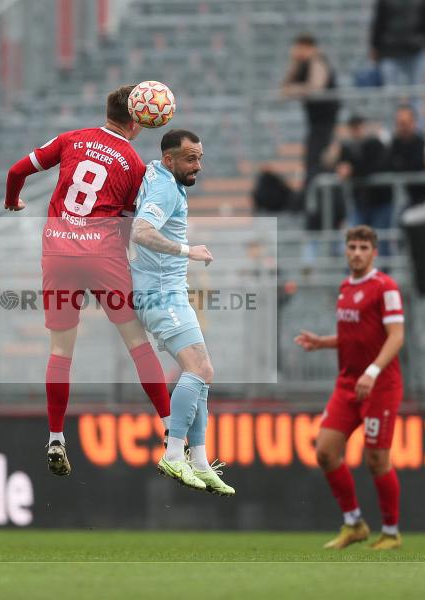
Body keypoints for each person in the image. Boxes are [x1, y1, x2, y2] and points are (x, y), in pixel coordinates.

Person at [3, 85, 171, 476]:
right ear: (137, 118)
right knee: (136, 344)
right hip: (102, 255)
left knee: (61, 351)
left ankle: (56, 437)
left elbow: (16, 171)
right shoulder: (133, 163)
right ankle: (168, 428)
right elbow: (129, 224)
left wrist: (12, 201)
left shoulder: (71, 139)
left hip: (58, 251)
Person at [130, 129, 234, 496]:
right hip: (160, 295)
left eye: (200, 158)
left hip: (169, 292)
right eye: (191, 159)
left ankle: (201, 461)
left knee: (202, 373)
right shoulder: (164, 188)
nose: (198, 166)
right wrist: (186, 250)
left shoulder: (158, 174)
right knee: (200, 370)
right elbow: (141, 231)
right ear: (170, 159)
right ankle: (174, 454)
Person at [294, 225, 405, 550]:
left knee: (376, 460)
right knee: (326, 452)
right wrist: (323, 342)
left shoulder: (386, 287)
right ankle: (354, 524)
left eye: (363, 248)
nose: (357, 253)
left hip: (380, 385)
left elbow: (396, 336)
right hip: (348, 384)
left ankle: (391, 532)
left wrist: (371, 372)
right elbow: (357, 336)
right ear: (346, 251)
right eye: (352, 247)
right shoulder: (345, 287)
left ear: (374, 252)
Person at [280, 34, 340, 197]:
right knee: (311, 164)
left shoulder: (318, 62)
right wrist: (295, 63)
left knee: (318, 166)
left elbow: (315, 89)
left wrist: (296, 90)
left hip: (325, 125)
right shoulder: (302, 65)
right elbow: (284, 89)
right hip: (315, 125)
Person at [328, 115, 393, 253]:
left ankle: (381, 273)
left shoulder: (374, 143)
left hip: (380, 201)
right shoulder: (347, 147)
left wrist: (352, 170)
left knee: (380, 244)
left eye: (358, 127)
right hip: (360, 202)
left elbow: (374, 167)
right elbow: (336, 165)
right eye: (353, 127)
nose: (356, 131)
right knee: (357, 242)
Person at [370, 0, 425, 119]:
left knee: (416, 94)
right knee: (391, 95)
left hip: (415, 49)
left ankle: (417, 132)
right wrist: (375, 46)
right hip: (390, 50)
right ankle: (391, 132)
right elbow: (379, 20)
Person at [388, 105, 425, 208]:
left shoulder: (424, 143)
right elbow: (389, 165)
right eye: (400, 123)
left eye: (406, 123)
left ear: (414, 122)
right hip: (407, 198)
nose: (403, 127)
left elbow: (418, 165)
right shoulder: (394, 144)